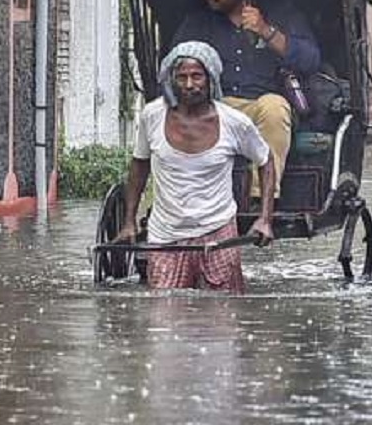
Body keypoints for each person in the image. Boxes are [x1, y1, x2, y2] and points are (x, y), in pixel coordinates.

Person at [115, 41, 276, 294]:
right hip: (166, 234)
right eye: (182, 77)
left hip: (218, 232)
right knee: (164, 320)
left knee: (223, 316)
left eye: (197, 76)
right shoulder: (152, 116)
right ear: (172, 80)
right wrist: (129, 221)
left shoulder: (234, 123)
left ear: (210, 78)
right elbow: (139, 164)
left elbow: (266, 160)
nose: (189, 85)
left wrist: (265, 219)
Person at [172, 0, 321, 197]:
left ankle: (260, 199)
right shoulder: (198, 22)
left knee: (274, 107)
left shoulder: (281, 14)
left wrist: (265, 31)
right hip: (216, 104)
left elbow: (310, 60)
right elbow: (174, 65)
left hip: (263, 105)